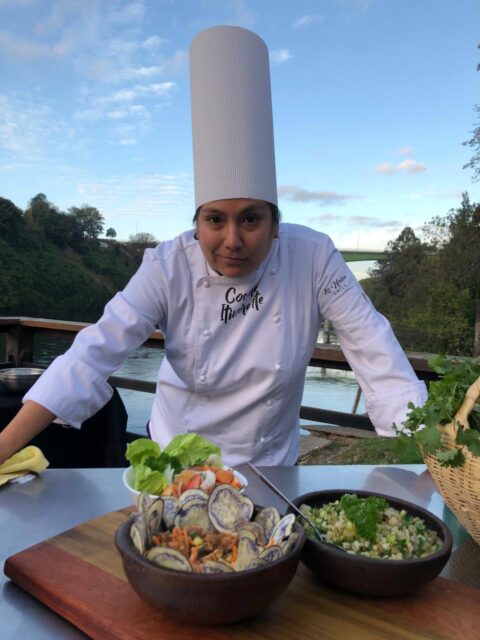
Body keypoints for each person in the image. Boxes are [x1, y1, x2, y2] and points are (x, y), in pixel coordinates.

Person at [0, 25, 427, 467]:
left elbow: (376, 352)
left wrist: (432, 460)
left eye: (251, 219)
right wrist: (3, 447)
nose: (232, 240)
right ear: (197, 224)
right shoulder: (167, 265)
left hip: (270, 467)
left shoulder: (314, 257)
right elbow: (93, 355)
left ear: (276, 226)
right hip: (175, 463)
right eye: (215, 219)